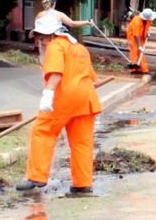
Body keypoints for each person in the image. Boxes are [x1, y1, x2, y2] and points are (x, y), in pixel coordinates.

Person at [17, 12, 102, 195]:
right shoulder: (79, 47)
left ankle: (36, 177)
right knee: (81, 143)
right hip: (86, 100)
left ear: (50, 33)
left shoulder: (56, 46)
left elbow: (56, 73)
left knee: (43, 132)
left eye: (40, 36)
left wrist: (47, 94)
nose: (39, 40)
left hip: (64, 99)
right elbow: (91, 77)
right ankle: (82, 183)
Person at [126, 7, 156, 74]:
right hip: (133, 36)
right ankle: (133, 70)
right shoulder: (137, 21)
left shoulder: (148, 19)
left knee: (141, 53)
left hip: (141, 35)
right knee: (135, 51)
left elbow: (148, 26)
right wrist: (139, 46)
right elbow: (136, 35)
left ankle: (144, 70)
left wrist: (148, 33)